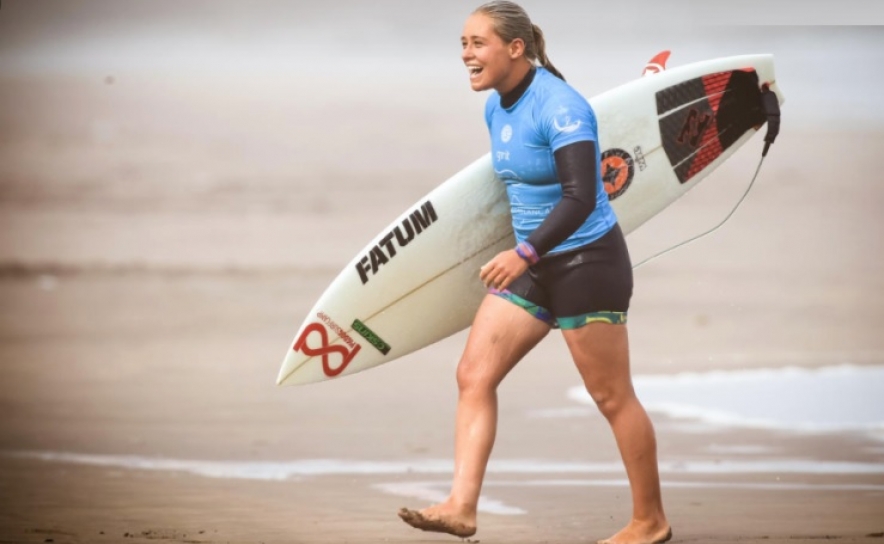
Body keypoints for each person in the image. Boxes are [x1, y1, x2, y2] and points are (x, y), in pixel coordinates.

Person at [397, 2, 671, 544]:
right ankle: (461, 506)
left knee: (612, 396)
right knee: (473, 375)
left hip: (586, 261)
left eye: (478, 43)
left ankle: (650, 521)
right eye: (463, 43)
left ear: (515, 48)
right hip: (536, 261)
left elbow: (581, 195)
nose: (466, 55)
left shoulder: (562, 108)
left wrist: (521, 254)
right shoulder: (497, 107)